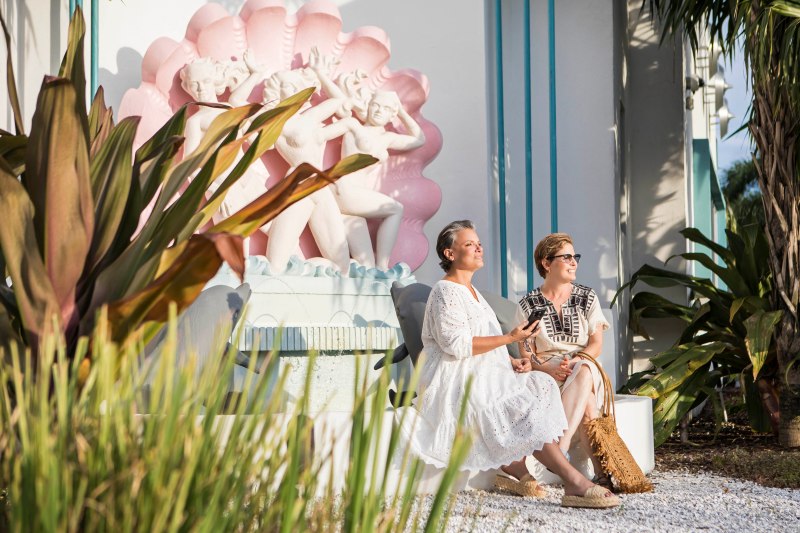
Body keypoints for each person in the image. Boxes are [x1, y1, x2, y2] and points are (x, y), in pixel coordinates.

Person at [402, 220, 619, 508]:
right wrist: (509, 338)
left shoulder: (475, 294)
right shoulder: (445, 291)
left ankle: (517, 465)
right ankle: (573, 481)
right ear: (450, 254)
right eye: (469, 244)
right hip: (454, 376)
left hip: (483, 370)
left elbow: (488, 342)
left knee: (536, 385)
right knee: (516, 401)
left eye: (479, 243)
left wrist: (513, 360)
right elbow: (455, 344)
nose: (479, 247)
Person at [309, 49, 425, 270]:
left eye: (386, 109)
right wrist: (319, 74)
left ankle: (370, 270)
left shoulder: (387, 137)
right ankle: (384, 267)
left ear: (392, 114)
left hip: (353, 205)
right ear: (369, 106)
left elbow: (418, 139)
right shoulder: (352, 125)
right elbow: (321, 133)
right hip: (345, 191)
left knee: (364, 266)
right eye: (377, 106)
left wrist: (400, 111)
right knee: (396, 209)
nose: (380, 111)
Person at [517, 233, 612, 489]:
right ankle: (602, 475)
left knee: (583, 371)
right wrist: (547, 367)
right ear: (546, 263)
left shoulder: (587, 296)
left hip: (584, 363)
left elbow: (596, 345)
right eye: (566, 257)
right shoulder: (528, 304)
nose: (574, 262)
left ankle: (561, 446)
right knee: (588, 402)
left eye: (575, 257)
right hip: (546, 372)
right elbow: (526, 352)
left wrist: (574, 362)